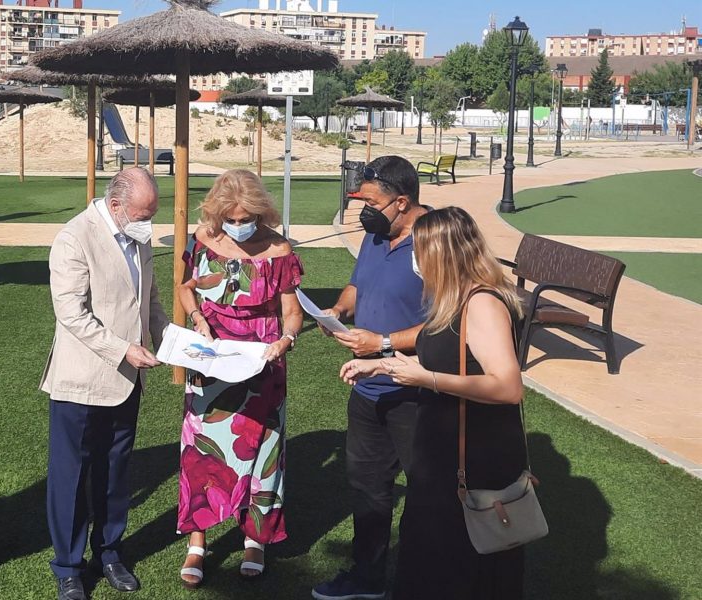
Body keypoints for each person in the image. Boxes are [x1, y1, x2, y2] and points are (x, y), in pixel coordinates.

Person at [339, 206, 527, 599]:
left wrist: (427, 379)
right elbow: (449, 356)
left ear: (441, 253)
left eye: (418, 250)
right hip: (440, 448)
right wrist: (385, 367)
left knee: (457, 554)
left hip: (473, 453)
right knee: (429, 547)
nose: (414, 259)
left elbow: (509, 387)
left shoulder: (482, 303)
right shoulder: (452, 299)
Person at [42, 167, 170, 600]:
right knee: (72, 475)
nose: (148, 221)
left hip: (127, 381)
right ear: (116, 206)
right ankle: (68, 566)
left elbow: (148, 298)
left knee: (115, 472)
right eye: (142, 212)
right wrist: (124, 350)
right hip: (81, 380)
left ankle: (109, 552)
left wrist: (173, 339)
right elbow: (71, 313)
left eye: (151, 212)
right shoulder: (74, 237)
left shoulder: (138, 234)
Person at [176, 169, 304, 588]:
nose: (237, 225)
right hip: (211, 358)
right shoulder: (203, 240)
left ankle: (256, 539)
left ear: (260, 211)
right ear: (216, 213)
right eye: (229, 218)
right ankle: (198, 541)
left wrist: (285, 340)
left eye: (245, 216)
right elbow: (185, 288)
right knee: (201, 451)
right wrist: (197, 320)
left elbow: (292, 314)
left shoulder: (279, 249)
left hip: (262, 362)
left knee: (263, 452)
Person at [312, 156, 431, 600]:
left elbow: (452, 322)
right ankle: (367, 578)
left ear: (402, 202)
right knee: (368, 488)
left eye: (372, 202)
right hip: (367, 390)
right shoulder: (376, 234)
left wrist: (382, 344)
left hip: (415, 391)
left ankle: (424, 581)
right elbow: (357, 286)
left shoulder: (437, 242)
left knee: (427, 495)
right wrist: (338, 311)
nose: (363, 210)